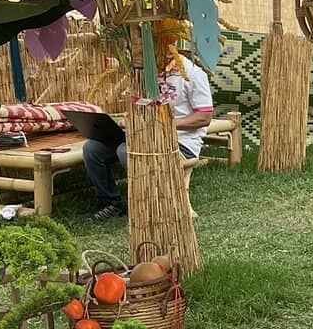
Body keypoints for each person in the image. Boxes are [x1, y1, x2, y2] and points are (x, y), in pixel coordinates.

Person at [83, 54, 214, 221]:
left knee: (125, 151)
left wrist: (163, 125)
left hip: (180, 142)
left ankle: (148, 203)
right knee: (93, 149)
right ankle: (111, 203)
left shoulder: (192, 74)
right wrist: (130, 121)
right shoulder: (145, 72)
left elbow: (204, 117)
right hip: (143, 135)